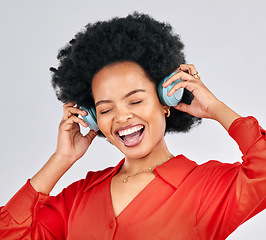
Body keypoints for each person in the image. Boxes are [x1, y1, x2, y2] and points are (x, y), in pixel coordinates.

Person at [0, 12, 265, 240]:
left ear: (165, 101)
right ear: (93, 118)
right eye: (105, 109)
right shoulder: (78, 197)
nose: (122, 117)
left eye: (135, 100)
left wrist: (215, 109)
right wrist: (61, 159)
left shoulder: (203, 189)